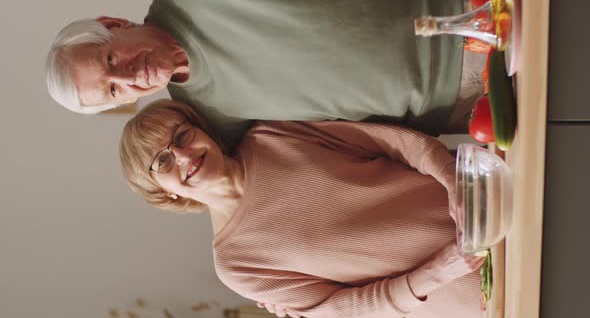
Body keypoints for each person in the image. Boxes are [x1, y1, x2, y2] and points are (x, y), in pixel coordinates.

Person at [119, 99, 485, 318]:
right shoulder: (236, 263)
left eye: (181, 136)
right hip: (477, 294)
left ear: (201, 130)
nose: (182, 155)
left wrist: (453, 183)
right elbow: (340, 311)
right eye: (163, 162)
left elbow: (394, 143)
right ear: (162, 193)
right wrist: (439, 272)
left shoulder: (273, 134)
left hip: (485, 195)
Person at [46, 0, 485, 144]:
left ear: (114, 24)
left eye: (110, 59)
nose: (126, 77)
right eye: (112, 91)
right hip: (457, 104)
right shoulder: (205, 120)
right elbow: (230, 191)